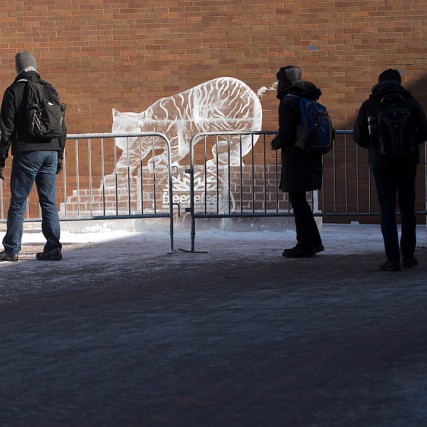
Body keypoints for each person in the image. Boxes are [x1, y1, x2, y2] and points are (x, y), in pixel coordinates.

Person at [353, 68, 427, 271]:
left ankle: (392, 259)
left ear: (379, 82)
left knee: (387, 209)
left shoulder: (371, 104)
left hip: (382, 164)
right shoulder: (410, 102)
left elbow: (359, 136)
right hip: (408, 162)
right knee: (407, 208)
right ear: (399, 82)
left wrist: (376, 146)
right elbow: (424, 131)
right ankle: (409, 255)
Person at [0, 51, 66, 262]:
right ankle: (53, 248)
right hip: (51, 152)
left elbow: (5, 130)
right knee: (48, 202)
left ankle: (11, 249)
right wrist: (59, 154)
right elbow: (62, 127)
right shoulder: (49, 89)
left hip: (27, 152)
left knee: (18, 202)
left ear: (18, 68)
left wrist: (1, 158)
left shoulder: (14, 91)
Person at [271, 65, 325, 258]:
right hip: (310, 154)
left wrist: (275, 143)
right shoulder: (308, 97)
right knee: (301, 200)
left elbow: (286, 133)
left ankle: (305, 244)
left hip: (296, 156)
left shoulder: (288, 102)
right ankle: (313, 242)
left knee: (298, 200)